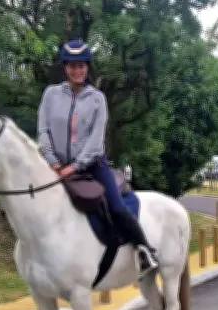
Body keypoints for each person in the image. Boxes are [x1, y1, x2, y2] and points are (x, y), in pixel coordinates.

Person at [37, 40, 159, 280]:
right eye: (72, 66)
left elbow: (95, 142)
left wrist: (73, 167)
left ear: (87, 68)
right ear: (65, 67)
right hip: (56, 166)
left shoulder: (97, 99)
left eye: (81, 66)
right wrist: (53, 162)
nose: (77, 70)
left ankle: (145, 249)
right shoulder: (51, 94)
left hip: (92, 166)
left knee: (116, 207)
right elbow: (43, 131)